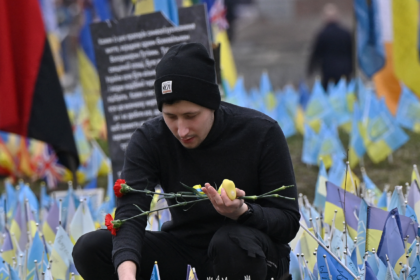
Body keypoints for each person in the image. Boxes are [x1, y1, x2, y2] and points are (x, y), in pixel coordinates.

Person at [73, 42, 299, 280]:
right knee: (92, 248)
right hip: (184, 251)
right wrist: (127, 275)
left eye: (191, 116)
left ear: (211, 104)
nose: (181, 130)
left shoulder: (261, 133)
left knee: (230, 242)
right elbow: (131, 213)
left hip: (249, 253)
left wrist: (243, 211)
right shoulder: (150, 138)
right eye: (170, 117)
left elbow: (288, 222)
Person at [307, 3, 354, 91]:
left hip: (328, 71)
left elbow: (316, 53)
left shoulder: (322, 34)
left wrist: (310, 69)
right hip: (345, 71)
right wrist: (352, 68)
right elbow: (352, 52)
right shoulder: (346, 33)